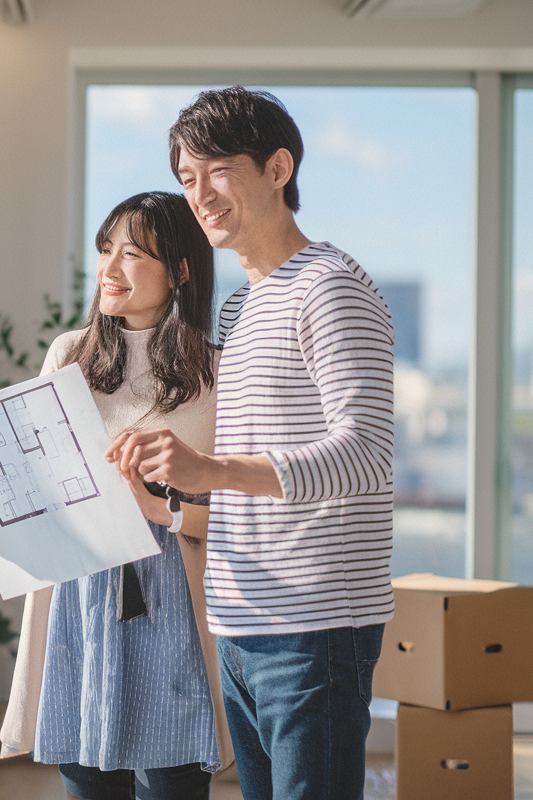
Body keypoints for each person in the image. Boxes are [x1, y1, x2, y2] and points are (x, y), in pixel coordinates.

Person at [106, 87, 395, 800]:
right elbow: (246, 470)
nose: (199, 194)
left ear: (277, 169)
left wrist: (208, 467)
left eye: (218, 171)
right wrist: (169, 499)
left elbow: (365, 454)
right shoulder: (239, 306)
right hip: (237, 620)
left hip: (314, 626)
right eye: (186, 177)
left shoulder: (330, 289)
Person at [0, 192, 234, 800]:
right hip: (81, 594)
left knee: (172, 782)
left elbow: (233, 513)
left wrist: (156, 504)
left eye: (131, 253)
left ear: (180, 269)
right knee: (88, 781)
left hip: (171, 597)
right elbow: (39, 482)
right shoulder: (70, 355)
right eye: (105, 251)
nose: (109, 268)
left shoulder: (214, 371)